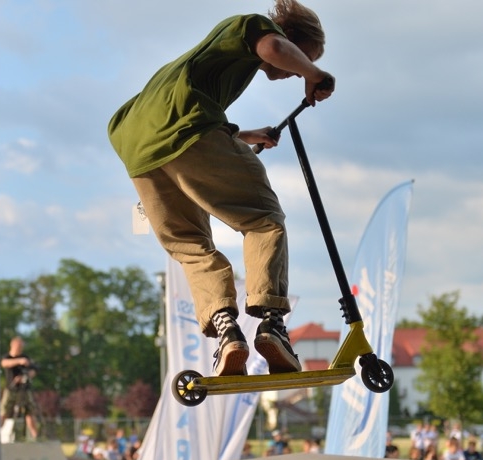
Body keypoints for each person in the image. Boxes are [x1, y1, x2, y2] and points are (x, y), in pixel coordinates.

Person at [108, 0, 334, 376]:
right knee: (263, 219)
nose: (296, 74)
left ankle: (227, 332)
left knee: (192, 248)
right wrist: (315, 72)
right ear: (290, 37)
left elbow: (178, 115)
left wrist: (244, 136)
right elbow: (274, 49)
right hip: (186, 131)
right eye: (301, 59)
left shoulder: (214, 60)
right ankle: (271, 323)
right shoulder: (253, 27)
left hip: (140, 150)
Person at [0, 336, 40, 443]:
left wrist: (28, 374)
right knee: (4, 411)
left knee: (30, 412)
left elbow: (34, 370)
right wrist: (19, 361)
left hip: (24, 390)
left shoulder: (25, 357)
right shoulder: (7, 357)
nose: (20, 349)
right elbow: (4, 363)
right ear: (13, 345)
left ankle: (36, 436)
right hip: (11, 389)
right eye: (19, 346)